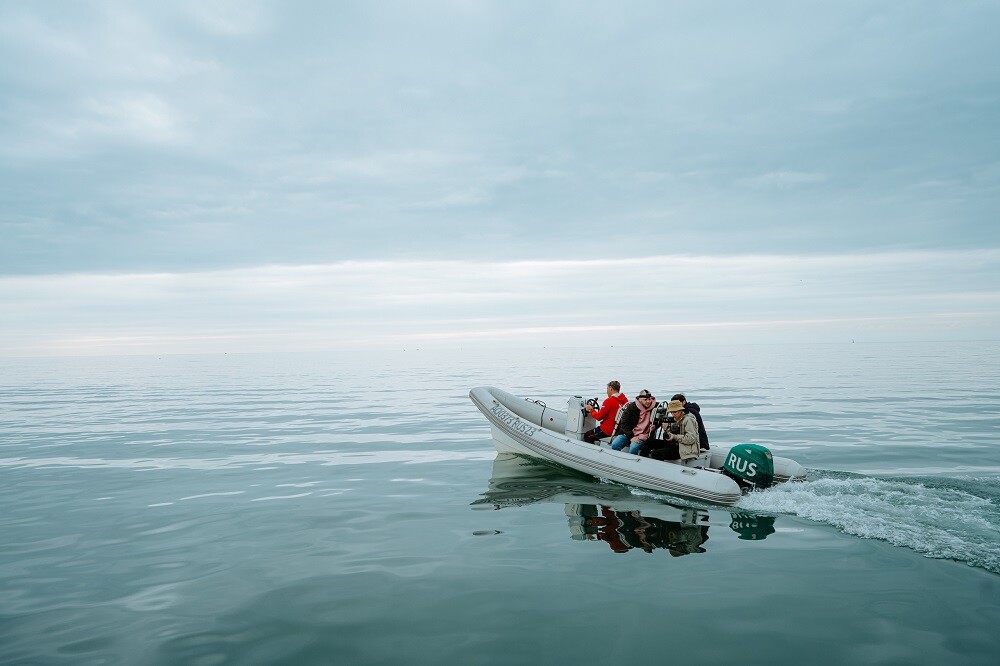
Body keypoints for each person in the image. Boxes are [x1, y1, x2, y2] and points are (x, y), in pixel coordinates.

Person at [639, 399, 700, 464]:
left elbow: (691, 439)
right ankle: (641, 463)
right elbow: (673, 435)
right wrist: (668, 430)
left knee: (656, 453)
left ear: (681, 410)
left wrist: (674, 437)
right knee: (649, 441)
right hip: (676, 444)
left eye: (675, 412)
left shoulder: (688, 420)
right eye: (672, 412)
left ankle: (657, 470)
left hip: (685, 448)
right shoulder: (676, 419)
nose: (673, 414)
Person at [611, 389, 657, 454]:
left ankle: (634, 462)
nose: (648, 401)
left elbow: (660, 420)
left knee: (633, 448)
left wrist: (655, 426)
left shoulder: (655, 407)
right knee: (615, 445)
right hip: (629, 433)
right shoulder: (632, 407)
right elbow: (624, 423)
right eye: (645, 400)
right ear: (640, 400)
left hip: (644, 435)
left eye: (649, 399)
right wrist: (632, 437)